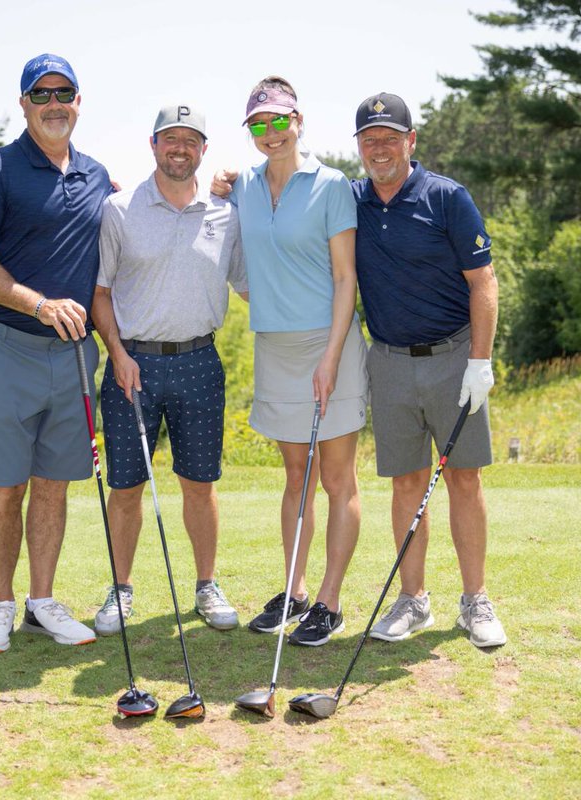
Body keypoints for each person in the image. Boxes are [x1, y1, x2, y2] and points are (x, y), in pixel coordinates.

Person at [0, 53, 113, 654]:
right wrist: (39, 304)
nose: (53, 103)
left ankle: (41, 604)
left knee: (53, 484)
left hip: (73, 355)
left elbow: (139, 215)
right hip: (4, 345)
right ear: (23, 104)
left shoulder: (96, 176)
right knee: (5, 486)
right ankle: (0, 603)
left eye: (62, 92)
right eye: (40, 94)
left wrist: (222, 187)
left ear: (78, 101)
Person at [351, 93, 507, 648]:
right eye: (369, 140)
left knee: (465, 477)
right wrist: (230, 185)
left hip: (454, 358)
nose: (380, 149)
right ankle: (413, 600)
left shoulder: (446, 197)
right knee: (406, 482)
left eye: (390, 138)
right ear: (360, 147)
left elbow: (483, 282)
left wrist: (480, 361)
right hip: (389, 361)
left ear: (411, 141)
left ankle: (475, 601)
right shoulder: (351, 201)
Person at [89, 104, 248, 637]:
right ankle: (121, 589)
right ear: (153, 145)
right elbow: (100, 292)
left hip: (200, 361)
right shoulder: (119, 209)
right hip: (131, 363)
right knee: (127, 486)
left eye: (190, 140)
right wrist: (117, 353)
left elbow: (250, 284)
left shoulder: (226, 214)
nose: (180, 149)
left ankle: (206, 586)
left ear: (203, 149)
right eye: (170, 139)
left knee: (200, 483)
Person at [228, 77, 367, 647]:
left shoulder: (331, 185)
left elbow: (345, 278)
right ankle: (296, 590)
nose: (271, 132)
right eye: (259, 124)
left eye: (280, 120)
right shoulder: (243, 186)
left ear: (298, 121)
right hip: (276, 347)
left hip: (329, 345)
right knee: (296, 479)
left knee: (336, 478)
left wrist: (331, 356)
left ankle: (330, 602)